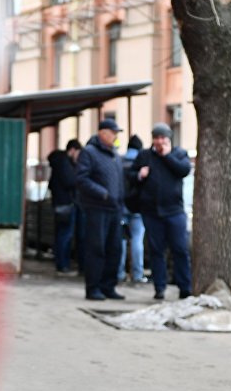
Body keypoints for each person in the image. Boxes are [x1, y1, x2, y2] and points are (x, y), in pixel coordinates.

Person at [133, 122, 193, 300]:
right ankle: (159, 287)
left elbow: (184, 170)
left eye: (163, 138)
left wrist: (167, 156)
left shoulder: (178, 153)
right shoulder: (144, 155)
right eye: (156, 138)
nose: (159, 142)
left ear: (169, 139)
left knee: (180, 250)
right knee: (156, 250)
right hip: (151, 212)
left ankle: (185, 287)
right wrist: (139, 174)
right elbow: (130, 176)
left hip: (174, 211)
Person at [76, 119, 126, 301]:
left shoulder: (114, 154)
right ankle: (93, 288)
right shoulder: (89, 152)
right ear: (103, 133)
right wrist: (103, 194)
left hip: (115, 209)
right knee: (96, 249)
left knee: (115, 249)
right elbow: (82, 179)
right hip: (97, 208)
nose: (115, 136)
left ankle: (108, 286)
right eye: (113, 133)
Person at [48, 139, 83, 275]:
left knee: (61, 234)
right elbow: (70, 181)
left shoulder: (58, 162)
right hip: (66, 203)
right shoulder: (64, 163)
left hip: (59, 203)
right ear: (73, 150)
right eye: (78, 153)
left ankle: (61, 263)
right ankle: (63, 265)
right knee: (65, 235)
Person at [119, 135, 148, 284]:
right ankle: (137, 274)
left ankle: (119, 273)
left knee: (121, 240)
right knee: (137, 240)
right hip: (137, 208)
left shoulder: (120, 160)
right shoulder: (142, 162)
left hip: (121, 207)